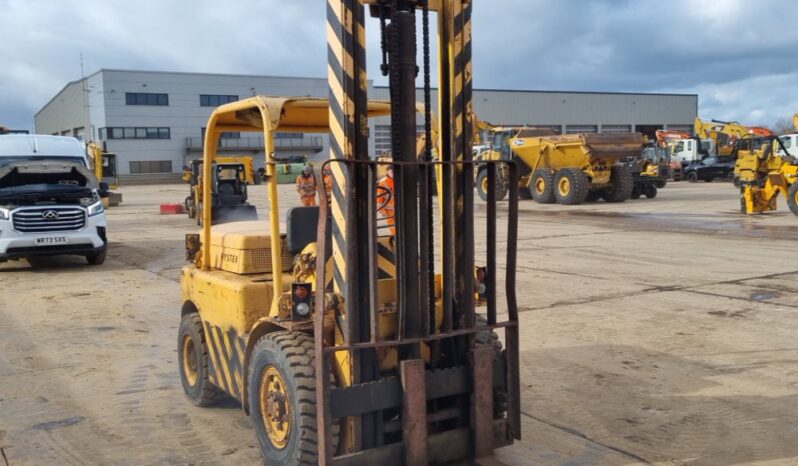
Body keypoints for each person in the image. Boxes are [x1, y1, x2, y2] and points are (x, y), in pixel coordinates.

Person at [376, 166, 395, 235]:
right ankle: (395, 238)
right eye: (392, 172)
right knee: (393, 226)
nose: (393, 174)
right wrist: (382, 210)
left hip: (398, 207)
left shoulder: (397, 180)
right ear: (387, 172)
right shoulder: (383, 182)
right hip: (389, 209)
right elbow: (379, 199)